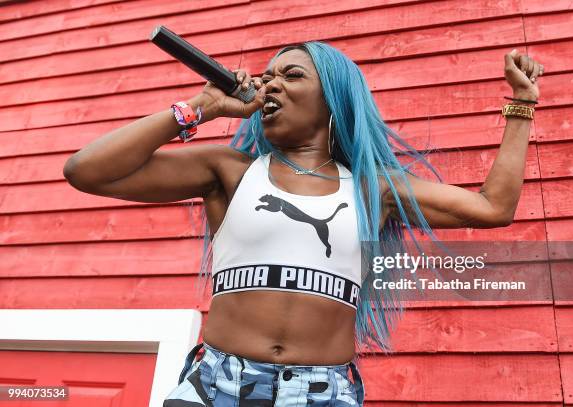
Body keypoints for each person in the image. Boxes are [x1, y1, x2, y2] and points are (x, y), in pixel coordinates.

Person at [63, 41, 543, 406]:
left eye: (291, 75)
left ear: (333, 97)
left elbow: (493, 206)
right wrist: (200, 108)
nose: (270, 84)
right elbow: (86, 171)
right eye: (267, 76)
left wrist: (522, 106)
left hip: (323, 391)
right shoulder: (229, 170)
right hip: (217, 385)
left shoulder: (374, 188)